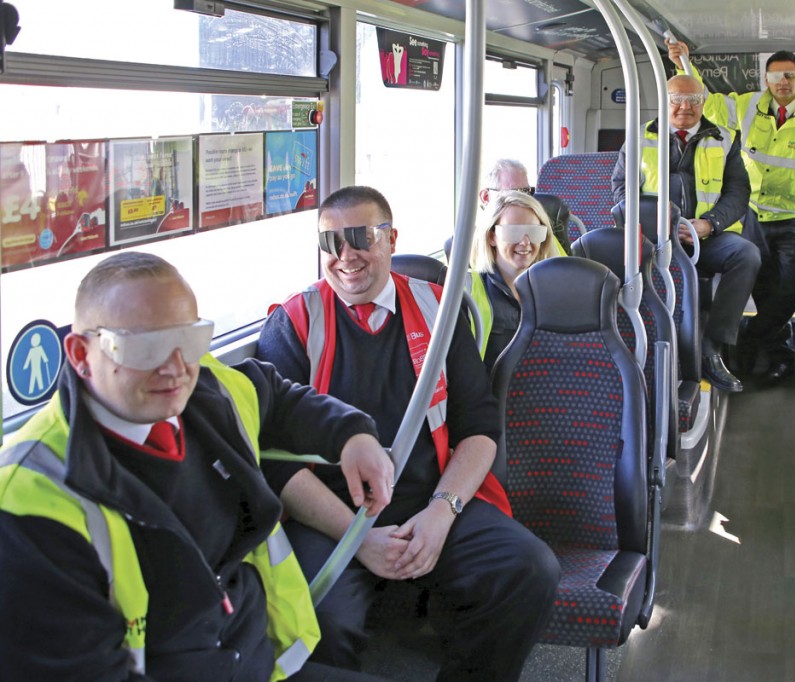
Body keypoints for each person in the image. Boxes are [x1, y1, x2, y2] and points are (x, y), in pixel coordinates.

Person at [0, 252, 395, 682]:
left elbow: (278, 399)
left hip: (261, 660)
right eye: (144, 346)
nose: (174, 368)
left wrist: (353, 435)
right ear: (80, 354)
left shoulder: (208, 390)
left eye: (190, 339)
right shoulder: (31, 503)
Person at [256, 186, 561, 680]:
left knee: (529, 570)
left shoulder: (439, 312)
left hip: (431, 497)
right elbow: (274, 462)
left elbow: (479, 428)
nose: (346, 256)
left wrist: (442, 512)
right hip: (331, 518)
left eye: (361, 238)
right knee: (317, 619)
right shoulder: (293, 323)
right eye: (331, 242)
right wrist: (359, 540)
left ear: (392, 238)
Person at [668, 41, 795, 384]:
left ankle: (750, 335)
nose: (782, 82)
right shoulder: (748, 106)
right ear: (765, 80)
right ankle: (780, 357)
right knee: (765, 285)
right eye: (775, 76)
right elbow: (701, 101)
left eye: (790, 76)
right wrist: (683, 64)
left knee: (792, 287)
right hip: (752, 213)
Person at [611, 74, 761, 393]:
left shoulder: (725, 139)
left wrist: (709, 223)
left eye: (693, 100)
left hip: (705, 237)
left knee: (746, 254)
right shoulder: (638, 139)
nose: (684, 107)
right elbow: (621, 189)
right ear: (665, 102)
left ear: (703, 103)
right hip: (653, 237)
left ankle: (711, 349)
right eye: (676, 99)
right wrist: (652, 216)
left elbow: (738, 192)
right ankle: (638, 348)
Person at [468, 190, 563, 372]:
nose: (525, 242)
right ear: (491, 236)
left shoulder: (555, 290)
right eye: (514, 232)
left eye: (534, 232)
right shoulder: (468, 292)